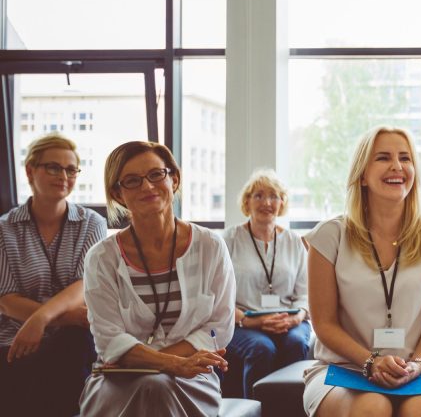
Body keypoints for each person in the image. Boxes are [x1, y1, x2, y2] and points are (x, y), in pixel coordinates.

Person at [302, 126, 421, 417]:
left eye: (405, 158)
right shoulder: (329, 236)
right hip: (344, 368)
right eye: (383, 158)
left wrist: (417, 363)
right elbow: (324, 324)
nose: (397, 166)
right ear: (362, 175)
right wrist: (371, 361)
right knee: (372, 407)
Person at [80, 141, 235, 417]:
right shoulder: (101, 258)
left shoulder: (211, 246)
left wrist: (168, 363)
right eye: (132, 181)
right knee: (154, 386)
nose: (148, 187)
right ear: (118, 193)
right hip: (119, 379)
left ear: (173, 179)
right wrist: (168, 363)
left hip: (191, 377)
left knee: (158, 386)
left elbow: (219, 327)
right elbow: (109, 340)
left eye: (156, 175)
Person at [0, 133, 107, 416]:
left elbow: (85, 285)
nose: (64, 175)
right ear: (29, 171)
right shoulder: (4, 229)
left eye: (71, 169)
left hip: (74, 338)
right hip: (15, 337)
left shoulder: (92, 223)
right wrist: (59, 316)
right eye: (53, 167)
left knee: (74, 346)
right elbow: (7, 300)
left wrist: (42, 319)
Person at [223, 169, 311, 399]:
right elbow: (217, 295)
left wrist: (298, 317)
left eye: (274, 196)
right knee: (262, 348)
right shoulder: (229, 239)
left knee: (297, 343)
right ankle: (253, 410)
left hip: (288, 319)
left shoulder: (294, 241)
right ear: (247, 201)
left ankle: (292, 410)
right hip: (242, 321)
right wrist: (249, 320)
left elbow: (305, 292)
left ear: (282, 203)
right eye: (259, 195)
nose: (267, 202)